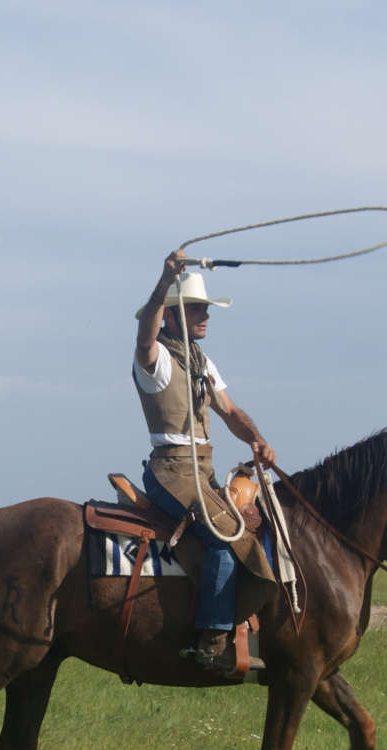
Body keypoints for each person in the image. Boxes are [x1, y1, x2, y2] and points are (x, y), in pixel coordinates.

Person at [133, 250, 276, 675]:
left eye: (206, 309)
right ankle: (211, 639)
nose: (206, 316)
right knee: (224, 533)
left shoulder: (201, 362)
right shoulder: (155, 359)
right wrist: (164, 280)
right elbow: (144, 334)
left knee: (259, 519)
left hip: (204, 470)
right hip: (171, 471)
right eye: (197, 309)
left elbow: (229, 411)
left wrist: (256, 440)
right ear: (172, 316)